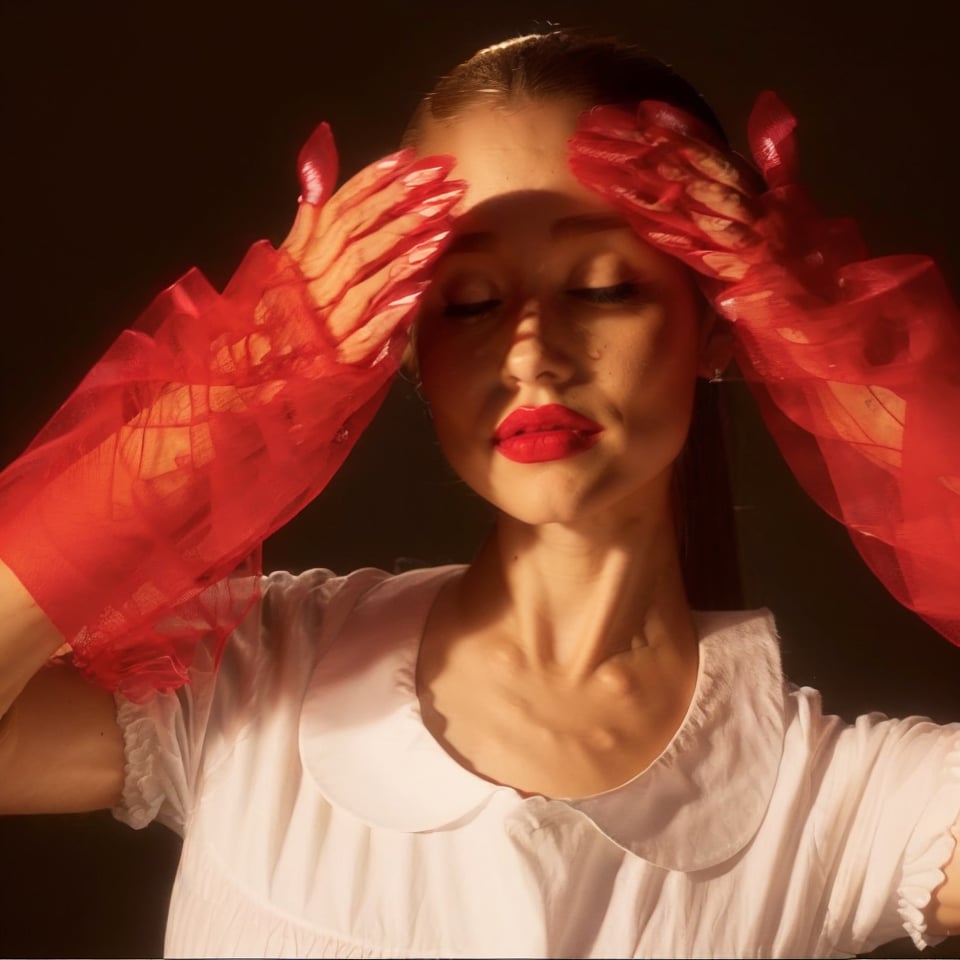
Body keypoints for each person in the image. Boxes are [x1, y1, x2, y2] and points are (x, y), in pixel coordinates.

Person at [1, 28, 959, 958]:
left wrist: (834, 348)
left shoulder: (841, 806)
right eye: (467, 303)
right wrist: (248, 384)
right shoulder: (244, 682)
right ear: (407, 344)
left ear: (717, 321)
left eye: (600, 287)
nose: (532, 351)